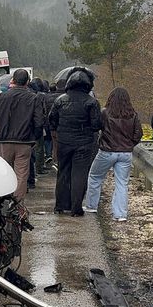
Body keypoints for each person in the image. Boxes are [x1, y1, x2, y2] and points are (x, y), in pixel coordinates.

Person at [0, 69, 45, 201]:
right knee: (21, 174)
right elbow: (39, 122)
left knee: (5, 172)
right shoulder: (34, 99)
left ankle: (3, 200)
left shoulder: (0, 97)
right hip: (24, 141)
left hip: (4, 141)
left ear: (12, 80)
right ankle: (16, 204)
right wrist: (34, 138)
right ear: (27, 82)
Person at [83, 87, 142, 222]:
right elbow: (138, 134)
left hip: (107, 151)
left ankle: (92, 205)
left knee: (95, 176)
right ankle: (120, 214)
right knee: (122, 183)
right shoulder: (133, 115)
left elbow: (97, 127)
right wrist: (129, 144)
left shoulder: (105, 113)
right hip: (125, 153)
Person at [49, 68, 101, 216]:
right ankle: (76, 208)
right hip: (84, 143)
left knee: (63, 172)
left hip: (64, 142)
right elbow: (96, 125)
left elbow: (51, 120)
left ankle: (60, 205)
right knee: (79, 174)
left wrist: (59, 132)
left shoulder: (60, 100)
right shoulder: (92, 102)